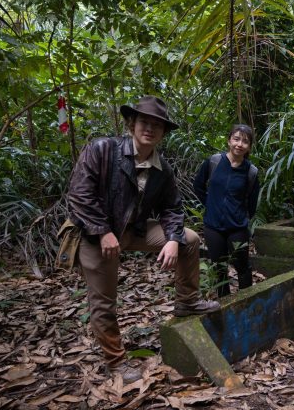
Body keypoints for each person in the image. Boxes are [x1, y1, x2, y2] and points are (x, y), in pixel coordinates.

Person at [67, 95, 221, 383]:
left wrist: (174, 239)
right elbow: (79, 195)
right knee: (104, 300)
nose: (149, 128)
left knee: (189, 239)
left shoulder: (161, 167)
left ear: (163, 133)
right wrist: (102, 231)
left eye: (157, 125)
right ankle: (116, 363)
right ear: (132, 123)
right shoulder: (103, 150)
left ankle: (187, 302)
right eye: (144, 122)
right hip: (94, 234)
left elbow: (172, 208)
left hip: (131, 230)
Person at [193, 124, 260, 298]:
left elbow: (252, 203)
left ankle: (246, 300)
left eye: (245, 141)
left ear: (249, 147)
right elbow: (198, 185)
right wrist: (210, 204)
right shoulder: (214, 161)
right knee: (219, 267)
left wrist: (242, 217)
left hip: (237, 227)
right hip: (213, 226)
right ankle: (224, 305)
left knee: (242, 266)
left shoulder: (251, 171)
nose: (239, 144)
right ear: (229, 140)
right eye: (236, 139)